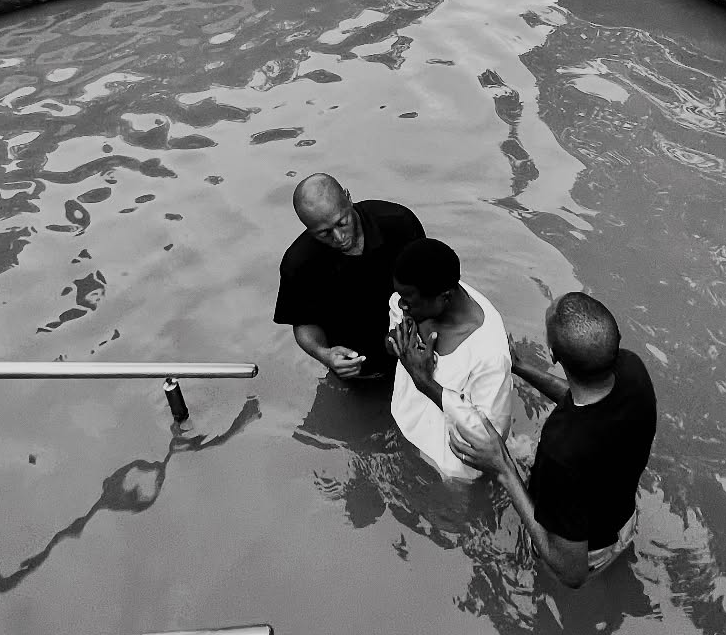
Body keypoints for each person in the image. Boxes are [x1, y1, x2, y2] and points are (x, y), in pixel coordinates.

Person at [447, 291, 656, 587]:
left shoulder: (562, 449)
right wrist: (520, 367)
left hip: (588, 554)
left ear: (554, 355)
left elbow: (571, 573)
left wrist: (503, 466)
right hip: (623, 520)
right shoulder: (632, 370)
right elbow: (582, 398)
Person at [274, 174, 424, 381]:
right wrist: (325, 355)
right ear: (307, 228)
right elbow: (303, 323)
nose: (339, 238)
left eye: (342, 223)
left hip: (417, 347)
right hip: (360, 365)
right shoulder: (299, 263)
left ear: (348, 198)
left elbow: (429, 284)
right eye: (324, 233)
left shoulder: (399, 223)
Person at [387, 237, 513, 483]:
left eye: (407, 300)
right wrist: (398, 345)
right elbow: (393, 337)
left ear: (444, 297)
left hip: (453, 468)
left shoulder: (488, 355)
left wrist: (425, 382)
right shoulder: (417, 298)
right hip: (406, 423)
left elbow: (487, 439)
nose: (400, 303)